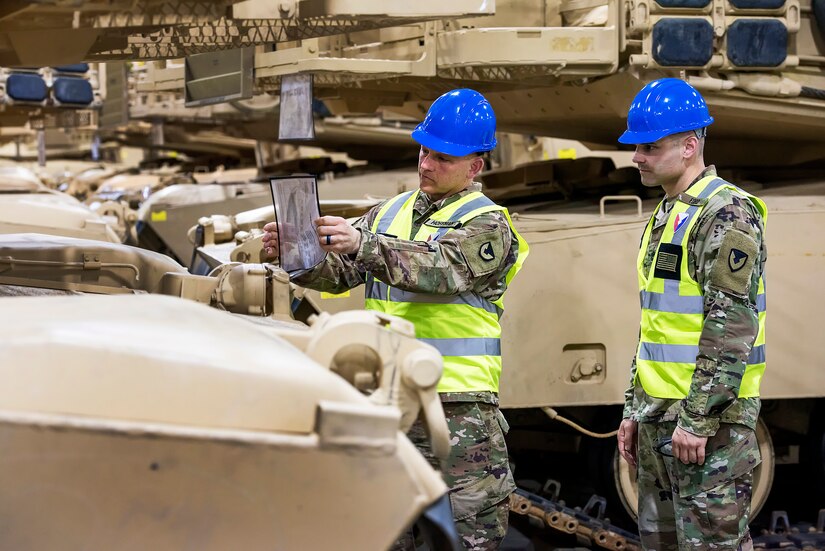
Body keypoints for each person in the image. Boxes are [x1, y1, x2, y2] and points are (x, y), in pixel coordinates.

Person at [262, 88, 530, 550]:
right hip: (386, 405)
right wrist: (298, 257)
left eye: (443, 158)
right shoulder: (391, 212)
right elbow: (342, 273)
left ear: (475, 166)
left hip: (457, 414)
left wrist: (362, 243)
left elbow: (442, 270)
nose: (426, 164)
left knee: (468, 537)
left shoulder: (489, 225)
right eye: (424, 151)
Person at [615, 78, 767, 550]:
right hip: (662, 418)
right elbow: (657, 327)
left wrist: (698, 420)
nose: (637, 157)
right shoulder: (669, 212)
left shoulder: (726, 214)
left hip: (709, 429)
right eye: (636, 146)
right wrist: (633, 408)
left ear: (689, 145)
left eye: (649, 146)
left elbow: (730, 330)